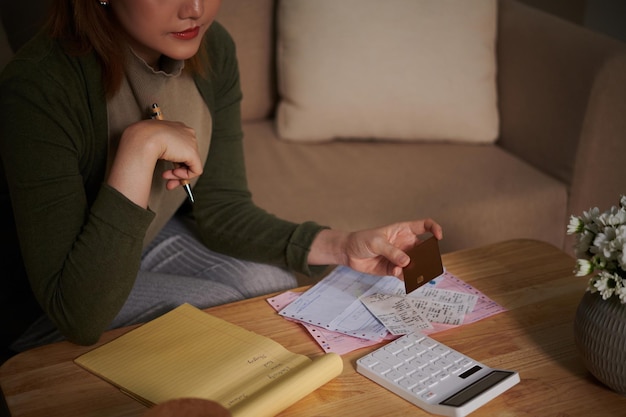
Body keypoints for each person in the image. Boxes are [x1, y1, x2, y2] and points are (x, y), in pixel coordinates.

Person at [0, 0, 442, 356]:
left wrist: (342, 245)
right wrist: (137, 150)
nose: (194, 9)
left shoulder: (211, 48)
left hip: (148, 239)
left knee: (269, 287)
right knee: (223, 315)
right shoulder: (38, 88)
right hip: (58, 296)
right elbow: (78, 314)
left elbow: (222, 208)